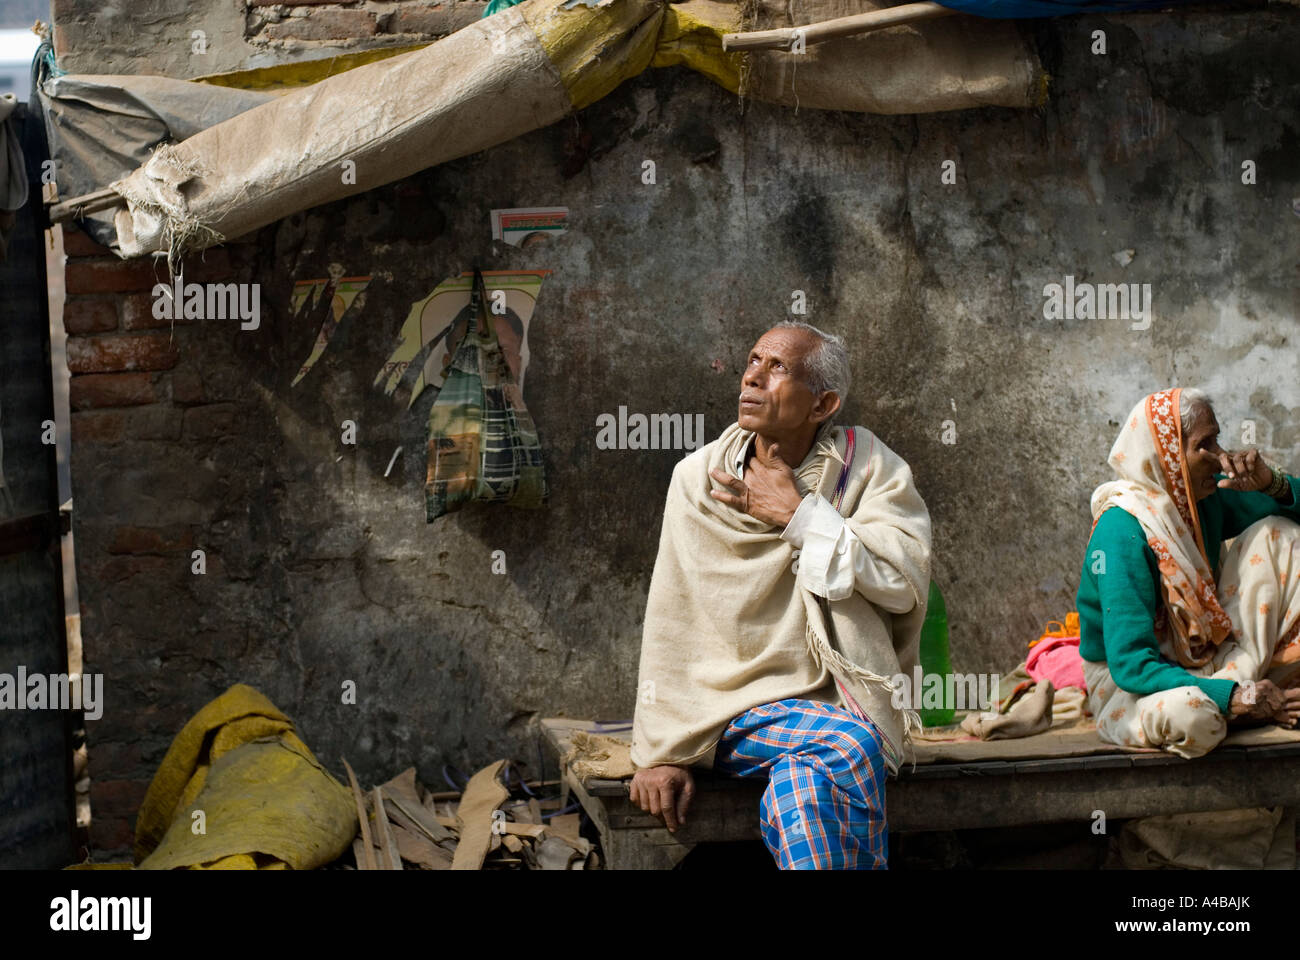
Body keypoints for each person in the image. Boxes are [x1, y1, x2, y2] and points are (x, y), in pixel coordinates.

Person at [628, 321, 932, 869]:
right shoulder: (697, 479)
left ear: (823, 404)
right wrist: (662, 750)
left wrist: (800, 516)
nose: (751, 377)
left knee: (807, 787)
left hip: (834, 701)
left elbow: (900, 583)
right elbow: (673, 615)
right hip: (723, 711)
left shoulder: (868, 470)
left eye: (777, 368)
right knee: (844, 748)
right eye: (752, 361)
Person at [1077, 387, 1300, 758]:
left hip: (1206, 659)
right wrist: (1232, 694)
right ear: (1167, 455)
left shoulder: (1203, 501)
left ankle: (1240, 700)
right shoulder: (1120, 531)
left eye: (1218, 440)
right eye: (1204, 445)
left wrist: (1271, 483)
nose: (1220, 457)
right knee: (1193, 717)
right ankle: (1238, 704)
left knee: (1282, 535)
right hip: (1131, 686)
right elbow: (1132, 667)